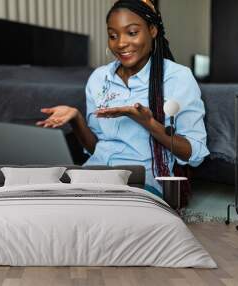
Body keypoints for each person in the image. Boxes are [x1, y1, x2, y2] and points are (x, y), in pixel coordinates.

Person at [36, 0, 209, 197]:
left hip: (141, 183)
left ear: (152, 30)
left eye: (132, 32)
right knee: (7, 189)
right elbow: (95, 148)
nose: (121, 43)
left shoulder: (177, 78)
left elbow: (194, 154)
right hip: (92, 175)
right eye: (113, 35)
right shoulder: (99, 78)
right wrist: (76, 118)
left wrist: (149, 123)